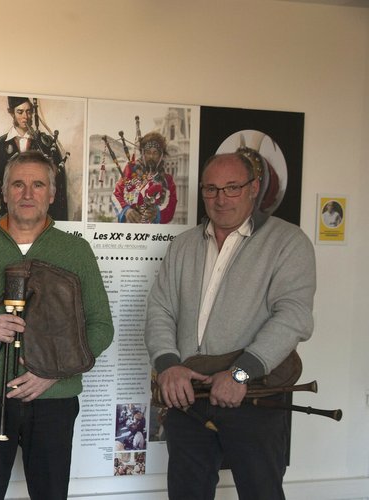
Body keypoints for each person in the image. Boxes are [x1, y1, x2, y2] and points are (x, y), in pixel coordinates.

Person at [0, 151, 113, 499]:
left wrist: (54, 370)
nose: (27, 193)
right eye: (18, 184)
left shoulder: (76, 251)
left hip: (54, 398)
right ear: (4, 192)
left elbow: (100, 326)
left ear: (52, 194)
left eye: (38, 185)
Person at [145, 153, 316, 500]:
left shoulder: (288, 242)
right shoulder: (183, 245)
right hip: (187, 398)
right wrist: (168, 365)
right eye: (211, 189)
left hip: (254, 397)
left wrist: (240, 373)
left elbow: (294, 315)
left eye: (232, 188)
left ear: (254, 188)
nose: (221, 198)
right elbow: (160, 308)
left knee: (260, 492)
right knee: (187, 493)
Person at [0, 96, 68, 220]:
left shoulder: (46, 143)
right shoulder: (1, 143)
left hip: (41, 215)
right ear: (11, 113)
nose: (25, 116)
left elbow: (59, 183)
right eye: (20, 112)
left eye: (29, 111)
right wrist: (11, 195)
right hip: (9, 214)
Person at [113, 131, 178, 223]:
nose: (151, 156)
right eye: (148, 152)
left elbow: (171, 208)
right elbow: (116, 194)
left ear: (161, 156)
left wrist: (157, 214)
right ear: (143, 154)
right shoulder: (131, 169)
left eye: (155, 153)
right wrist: (126, 210)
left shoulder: (168, 180)